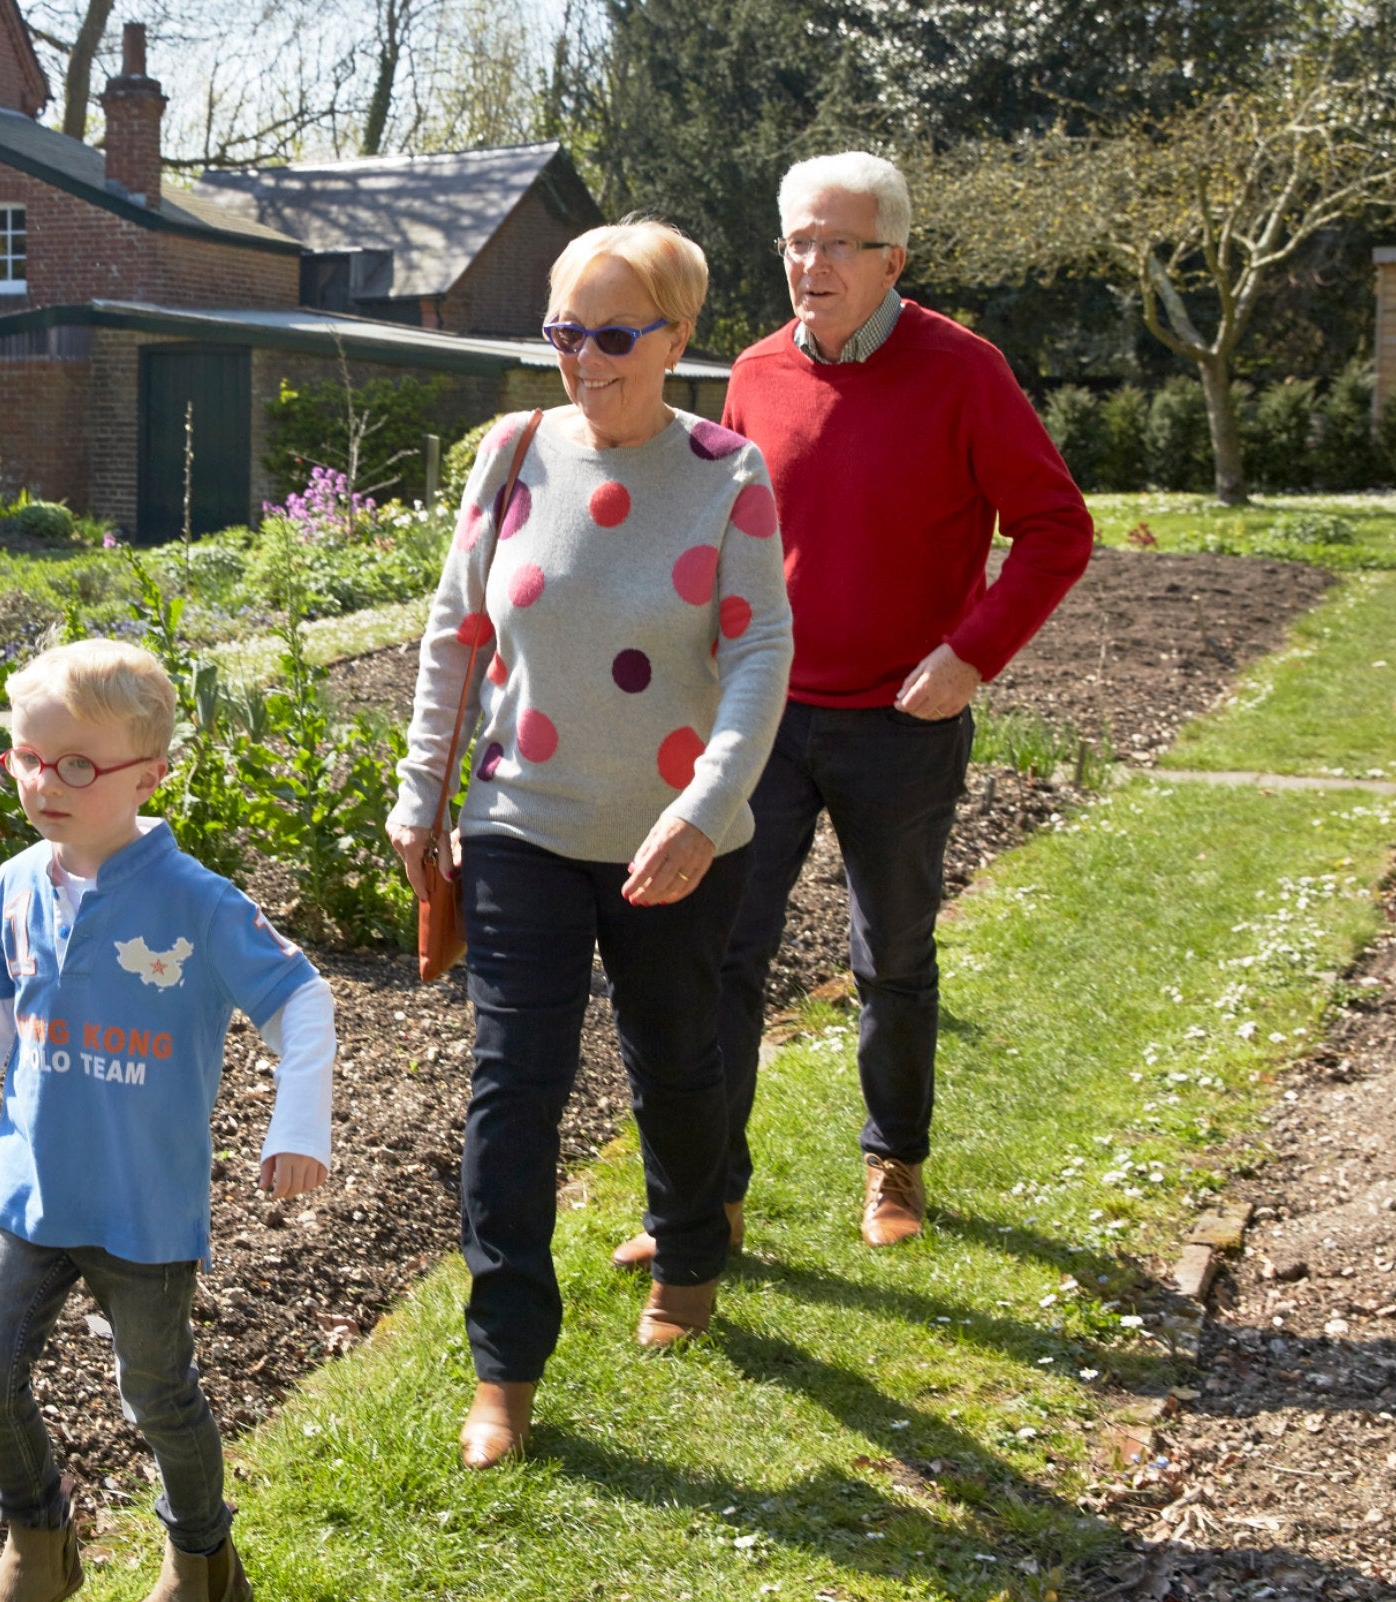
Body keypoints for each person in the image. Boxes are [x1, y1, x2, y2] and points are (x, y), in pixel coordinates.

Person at [385, 219, 793, 1470]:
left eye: (614, 336)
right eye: (564, 330)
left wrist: (702, 808)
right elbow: (457, 632)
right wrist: (420, 797)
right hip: (523, 825)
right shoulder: (511, 454)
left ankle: (686, 1248)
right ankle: (503, 1366)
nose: (583, 358)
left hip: (677, 842)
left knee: (676, 1062)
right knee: (515, 1087)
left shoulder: (728, 474)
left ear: (675, 339)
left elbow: (759, 653)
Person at [701, 151, 1092, 1253]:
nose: (808, 264)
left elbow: (1058, 528)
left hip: (902, 725)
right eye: (794, 241)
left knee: (893, 956)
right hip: (766, 719)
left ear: (893, 259)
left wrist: (971, 656)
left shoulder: (963, 371)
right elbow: (735, 542)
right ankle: (710, 1196)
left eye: (835, 243)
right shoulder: (755, 373)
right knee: (725, 952)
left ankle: (894, 1169)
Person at [0, 638, 335, 1602]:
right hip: (30, 1192)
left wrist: (297, 1121)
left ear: (150, 774)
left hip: (144, 1205)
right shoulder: (14, 887)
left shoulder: (196, 904)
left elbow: (301, 999)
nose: (47, 782)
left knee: (158, 1393)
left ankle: (202, 1568)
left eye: (79, 766)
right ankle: (40, 1546)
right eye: (29, 758)